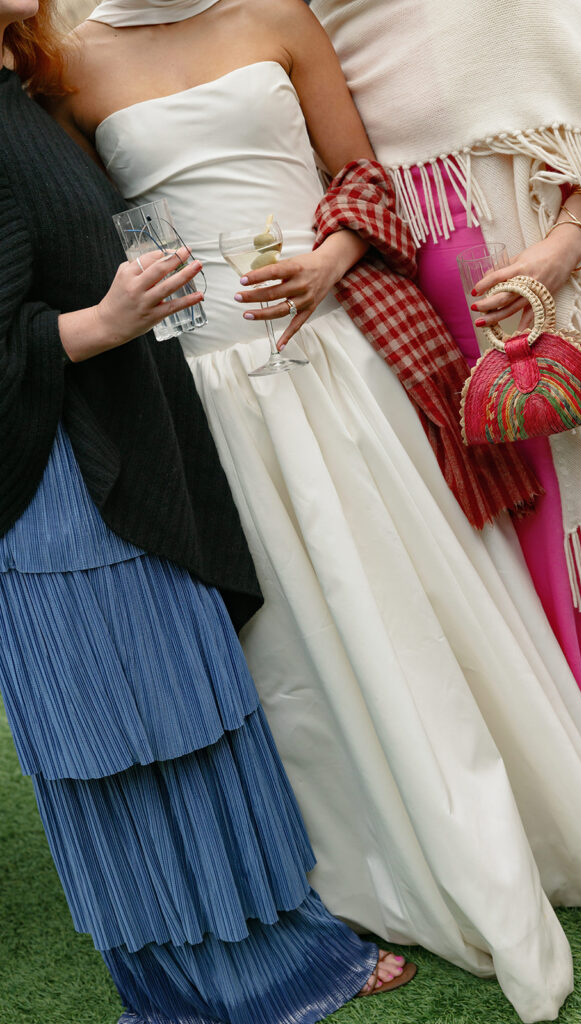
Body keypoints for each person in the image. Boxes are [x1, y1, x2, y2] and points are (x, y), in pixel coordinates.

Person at [51, 1, 581, 1020]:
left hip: (336, 357)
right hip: (207, 392)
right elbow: (99, 231)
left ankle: (507, 828)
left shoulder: (274, 13)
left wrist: (330, 260)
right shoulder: (73, 65)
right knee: (294, 642)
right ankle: (364, 864)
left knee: (413, 600)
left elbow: (362, 174)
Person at [0, 3, 413, 1022]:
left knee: (189, 716)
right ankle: (247, 980)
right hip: (62, 490)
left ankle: (254, 960)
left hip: (115, 462)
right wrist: (103, 324)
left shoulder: (18, 94)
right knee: (145, 734)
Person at [311, 0, 581, 829]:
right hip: (410, 293)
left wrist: (563, 247)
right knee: (502, 538)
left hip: (541, 260)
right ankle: (561, 779)